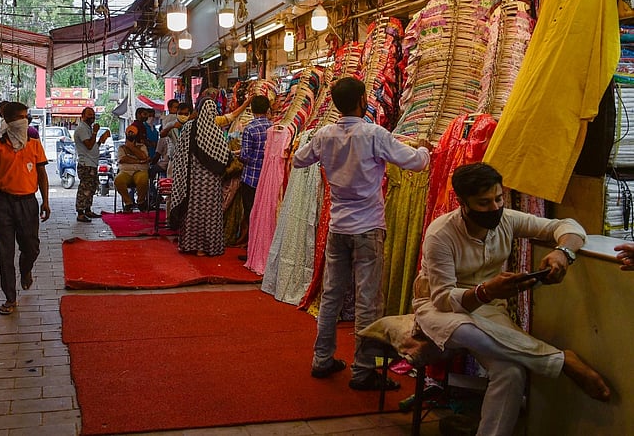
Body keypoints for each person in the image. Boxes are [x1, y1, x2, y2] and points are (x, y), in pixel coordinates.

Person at [413, 162, 610, 436]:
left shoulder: (507, 220)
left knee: (511, 373)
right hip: (438, 309)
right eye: (483, 203)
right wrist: (485, 291)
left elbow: (569, 226)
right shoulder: (440, 234)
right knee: (464, 329)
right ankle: (560, 361)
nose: (494, 207)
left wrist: (563, 252)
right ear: (463, 203)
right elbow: (443, 298)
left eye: (498, 198)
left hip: (490, 311)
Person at [292, 76, 431, 387]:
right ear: (362, 100)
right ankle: (363, 369)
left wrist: (322, 149)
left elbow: (299, 160)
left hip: (338, 227)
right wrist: (424, 150)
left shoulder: (325, 134)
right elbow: (415, 162)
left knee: (331, 296)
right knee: (368, 300)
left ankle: (322, 359)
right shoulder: (373, 134)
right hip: (367, 227)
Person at [0, 101, 50, 316]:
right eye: (20, 117)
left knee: (32, 247)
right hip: (3, 204)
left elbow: (42, 174)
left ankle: (26, 269)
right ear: (9, 121)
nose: (25, 121)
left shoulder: (34, 145)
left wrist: (45, 201)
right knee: (5, 252)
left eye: (26, 116)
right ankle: (10, 297)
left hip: (28, 202)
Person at [167, 96, 232, 257]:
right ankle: (209, 246)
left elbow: (180, 153)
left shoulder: (189, 127)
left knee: (192, 211)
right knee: (210, 213)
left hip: (192, 181)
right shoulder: (216, 131)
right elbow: (225, 156)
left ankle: (190, 244)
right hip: (211, 183)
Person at [235, 95, 272, 249]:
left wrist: (239, 155)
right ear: (267, 109)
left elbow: (245, 156)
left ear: (252, 109)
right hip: (267, 177)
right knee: (263, 212)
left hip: (251, 177)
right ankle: (261, 245)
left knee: (251, 211)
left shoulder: (250, 128)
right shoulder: (273, 127)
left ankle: (251, 245)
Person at [74, 107, 110, 222]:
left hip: (93, 163)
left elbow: (93, 146)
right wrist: (95, 132)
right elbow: (89, 145)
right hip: (86, 164)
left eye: (93, 114)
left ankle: (87, 210)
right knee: (85, 188)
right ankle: (80, 213)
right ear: (83, 116)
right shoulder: (81, 129)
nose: (92, 117)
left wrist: (101, 139)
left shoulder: (88, 128)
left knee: (92, 188)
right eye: (89, 114)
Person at [115, 124, 150, 212]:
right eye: (129, 133)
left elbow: (143, 156)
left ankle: (141, 202)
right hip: (125, 171)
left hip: (140, 170)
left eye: (133, 133)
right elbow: (123, 159)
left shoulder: (142, 146)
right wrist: (139, 161)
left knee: (143, 179)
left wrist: (132, 148)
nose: (130, 134)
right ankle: (128, 203)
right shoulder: (121, 147)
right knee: (118, 180)